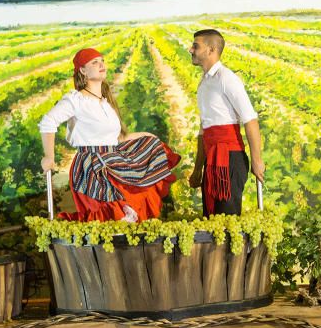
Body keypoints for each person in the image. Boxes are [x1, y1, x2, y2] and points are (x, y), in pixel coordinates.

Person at [38, 48, 179, 222]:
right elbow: (48, 122)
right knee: (111, 215)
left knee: (128, 213)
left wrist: (150, 137)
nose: (101, 64)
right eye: (94, 62)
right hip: (91, 166)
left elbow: (117, 139)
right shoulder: (76, 100)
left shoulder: (106, 103)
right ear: (82, 70)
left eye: (102, 60)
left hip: (113, 160)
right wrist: (49, 156)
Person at [188, 29, 264, 216]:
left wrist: (256, 160)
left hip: (230, 159)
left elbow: (250, 120)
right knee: (211, 219)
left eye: (196, 46)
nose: (190, 49)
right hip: (212, 159)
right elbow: (203, 131)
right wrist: (199, 169)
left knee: (227, 224)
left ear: (211, 50)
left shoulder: (226, 78)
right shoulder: (204, 83)